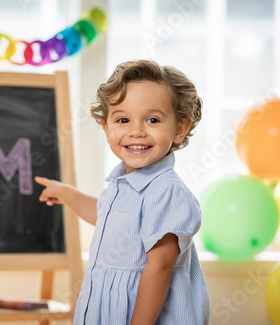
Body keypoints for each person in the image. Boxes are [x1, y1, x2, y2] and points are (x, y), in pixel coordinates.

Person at [35, 59, 211, 325]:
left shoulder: (167, 193)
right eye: (123, 120)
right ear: (106, 129)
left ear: (179, 129)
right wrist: (67, 193)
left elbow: (160, 267)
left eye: (152, 119)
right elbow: (106, 217)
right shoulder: (122, 184)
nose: (136, 131)